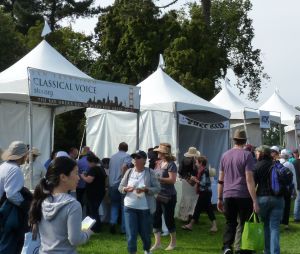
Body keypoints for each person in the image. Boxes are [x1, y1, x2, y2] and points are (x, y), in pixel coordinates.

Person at [28, 156, 92, 253]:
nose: (79, 177)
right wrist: (87, 232)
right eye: (75, 173)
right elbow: (75, 239)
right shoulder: (73, 205)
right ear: (63, 177)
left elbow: (36, 233)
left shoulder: (42, 200)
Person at [217, 129, 259, 254]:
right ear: (245, 141)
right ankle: (243, 248)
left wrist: (219, 198)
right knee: (245, 223)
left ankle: (227, 246)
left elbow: (221, 179)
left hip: (228, 194)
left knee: (230, 222)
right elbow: (249, 179)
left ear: (234, 140)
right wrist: (255, 200)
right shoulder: (247, 155)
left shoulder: (225, 155)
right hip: (243, 195)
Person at [119, 150, 160, 254]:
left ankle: (147, 250)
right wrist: (125, 189)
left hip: (145, 209)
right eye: (134, 157)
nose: (135, 159)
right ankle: (132, 252)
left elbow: (157, 188)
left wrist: (146, 189)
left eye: (138, 157)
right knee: (131, 234)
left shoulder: (150, 172)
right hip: (129, 207)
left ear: (144, 160)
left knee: (145, 234)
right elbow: (120, 187)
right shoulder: (129, 171)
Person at [0, 141, 32, 253]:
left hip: (2, 210)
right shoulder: (14, 169)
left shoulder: (3, 166)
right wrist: (26, 205)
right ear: (22, 156)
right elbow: (12, 194)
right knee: (9, 245)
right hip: (7, 212)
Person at [254, 145, 284, 254]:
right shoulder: (277, 164)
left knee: (266, 225)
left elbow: (253, 184)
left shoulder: (257, 166)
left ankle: (267, 251)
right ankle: (275, 252)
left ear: (261, 153)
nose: (255, 154)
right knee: (275, 227)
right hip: (278, 198)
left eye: (257, 152)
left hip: (262, 198)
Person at [151, 143, 177, 251]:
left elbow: (172, 180)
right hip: (158, 194)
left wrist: (159, 179)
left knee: (168, 219)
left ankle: (173, 243)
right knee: (155, 218)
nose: (157, 153)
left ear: (164, 153)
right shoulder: (159, 163)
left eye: (159, 151)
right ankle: (157, 243)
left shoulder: (171, 164)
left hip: (169, 196)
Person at [182, 155, 217, 232]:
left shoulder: (204, 171)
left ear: (201, 163)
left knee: (200, 209)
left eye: (197, 162)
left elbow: (203, 183)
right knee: (206, 209)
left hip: (205, 192)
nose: (196, 164)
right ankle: (213, 225)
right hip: (205, 192)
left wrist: (195, 179)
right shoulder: (202, 170)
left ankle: (191, 225)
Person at [109, 142, 132, 234]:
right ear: (126, 149)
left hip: (112, 184)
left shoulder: (113, 157)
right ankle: (123, 228)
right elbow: (124, 167)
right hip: (120, 183)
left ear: (118, 148)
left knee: (114, 204)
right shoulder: (127, 156)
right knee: (123, 206)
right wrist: (124, 178)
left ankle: (112, 222)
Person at [80, 153, 106, 232]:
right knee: (94, 210)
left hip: (93, 193)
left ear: (91, 162)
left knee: (92, 210)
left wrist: (82, 176)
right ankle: (94, 226)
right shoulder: (101, 168)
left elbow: (89, 180)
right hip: (100, 192)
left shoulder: (93, 169)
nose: (88, 164)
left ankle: (95, 227)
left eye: (88, 162)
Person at [178, 147, 199, 222]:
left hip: (185, 180)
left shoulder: (183, 160)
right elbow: (196, 171)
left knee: (185, 198)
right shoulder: (195, 161)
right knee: (193, 198)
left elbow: (180, 171)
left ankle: (184, 215)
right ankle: (191, 214)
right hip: (193, 181)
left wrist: (185, 176)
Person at [279, 149, 296, 229]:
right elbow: (294, 178)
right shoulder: (289, 164)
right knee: (287, 205)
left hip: (278, 188)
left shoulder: (276, 163)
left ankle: (279, 220)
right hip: (288, 188)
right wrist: (294, 189)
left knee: (279, 205)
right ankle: (286, 223)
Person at [292, 148, 300, 222]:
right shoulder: (295, 162)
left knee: (298, 200)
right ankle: (296, 217)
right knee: (298, 200)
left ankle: (297, 216)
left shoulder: (294, 162)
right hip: (298, 183)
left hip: (296, 182)